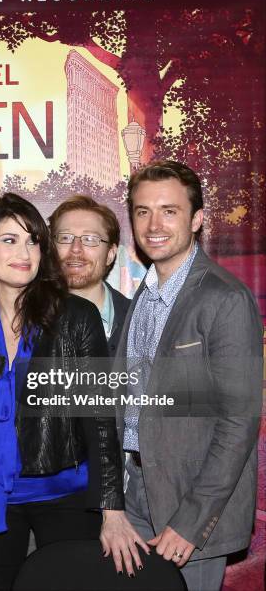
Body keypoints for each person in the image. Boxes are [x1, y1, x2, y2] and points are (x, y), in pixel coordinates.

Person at [0, 193, 147, 590]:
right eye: (9, 240)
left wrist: (112, 510)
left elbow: (100, 420)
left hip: (64, 495)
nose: (24, 252)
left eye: (33, 240)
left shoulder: (74, 316)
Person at [117, 160, 263, 591]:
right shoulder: (144, 294)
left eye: (169, 210)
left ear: (197, 219)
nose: (154, 224)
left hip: (189, 506)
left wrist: (192, 519)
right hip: (136, 495)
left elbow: (239, 423)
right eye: (143, 211)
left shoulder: (225, 298)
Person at [49, 195, 130, 354]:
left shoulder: (140, 319)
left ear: (110, 254)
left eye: (90, 239)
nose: (76, 248)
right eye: (65, 237)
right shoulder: (29, 320)